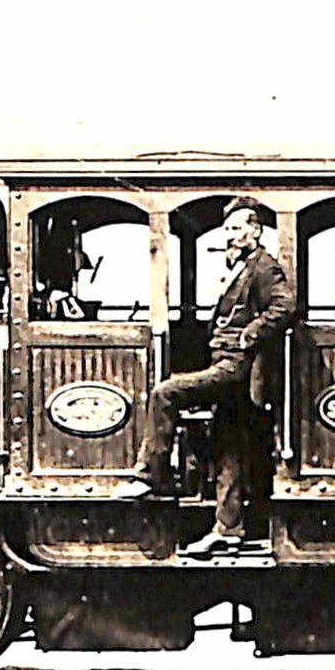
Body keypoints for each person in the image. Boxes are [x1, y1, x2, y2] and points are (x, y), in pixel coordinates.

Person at [119, 197, 295, 556]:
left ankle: (150, 474)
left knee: (166, 393)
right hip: (227, 364)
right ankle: (228, 529)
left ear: (255, 231)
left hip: (236, 367)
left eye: (237, 229)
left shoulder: (264, 267)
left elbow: (284, 305)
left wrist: (251, 334)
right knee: (228, 446)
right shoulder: (239, 266)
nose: (230, 236)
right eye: (227, 229)